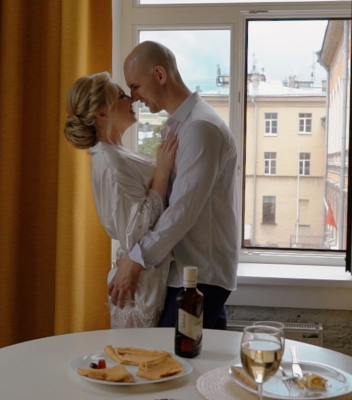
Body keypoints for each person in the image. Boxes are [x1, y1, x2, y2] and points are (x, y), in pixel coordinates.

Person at [108, 41, 239, 329]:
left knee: (168, 354)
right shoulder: (182, 127)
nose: (133, 98)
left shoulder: (200, 128)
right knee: (202, 357)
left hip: (200, 277)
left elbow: (182, 210)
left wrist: (136, 260)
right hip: (189, 273)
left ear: (159, 74)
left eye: (135, 86)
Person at [64, 71, 179, 328]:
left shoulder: (116, 154)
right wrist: (161, 173)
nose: (132, 99)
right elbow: (134, 229)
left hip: (150, 277)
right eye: (121, 95)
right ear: (102, 113)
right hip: (140, 286)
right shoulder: (109, 159)